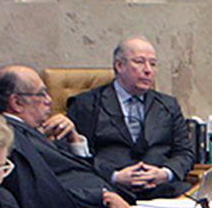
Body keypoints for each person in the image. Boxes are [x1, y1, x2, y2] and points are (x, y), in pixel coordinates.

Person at [0, 64, 132, 208]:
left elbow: (61, 166)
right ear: (17, 103)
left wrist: (74, 139)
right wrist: (102, 196)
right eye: (42, 94)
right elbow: (44, 194)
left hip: (108, 200)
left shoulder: (27, 130)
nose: (49, 100)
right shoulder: (12, 141)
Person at [68, 36, 199, 198]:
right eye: (139, 62)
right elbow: (76, 156)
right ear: (119, 65)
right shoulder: (87, 104)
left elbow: (185, 152)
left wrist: (165, 173)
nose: (148, 70)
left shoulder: (168, 105)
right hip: (110, 190)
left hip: (163, 190)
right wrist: (114, 176)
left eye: (153, 64)